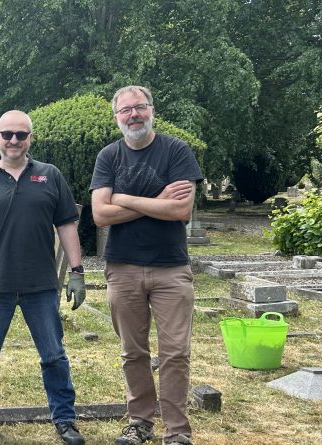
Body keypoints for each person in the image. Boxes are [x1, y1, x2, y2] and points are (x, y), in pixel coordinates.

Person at [0, 110, 86, 445]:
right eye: (7, 134)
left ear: (30, 138)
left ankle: (65, 419)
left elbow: (67, 226)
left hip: (40, 284)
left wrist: (77, 272)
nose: (13, 140)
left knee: (54, 355)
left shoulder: (50, 176)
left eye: (20, 134)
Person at [90, 86, 203, 445]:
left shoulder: (176, 150)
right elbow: (100, 214)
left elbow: (180, 210)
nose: (134, 115)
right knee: (133, 352)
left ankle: (176, 431)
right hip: (122, 269)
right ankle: (139, 422)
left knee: (175, 353)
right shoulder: (109, 156)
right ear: (117, 117)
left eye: (140, 107)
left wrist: (122, 198)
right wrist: (155, 200)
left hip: (170, 268)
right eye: (126, 110)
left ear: (152, 110)